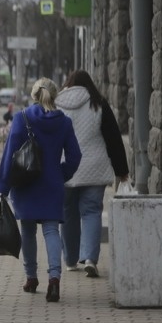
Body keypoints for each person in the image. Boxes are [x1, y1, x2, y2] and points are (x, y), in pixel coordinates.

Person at [0, 78, 82, 303]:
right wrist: (61, 174)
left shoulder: (21, 118)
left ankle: (31, 277)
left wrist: (3, 186)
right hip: (52, 184)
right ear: (54, 96)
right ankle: (54, 280)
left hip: (25, 183)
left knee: (27, 231)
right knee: (51, 231)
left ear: (34, 95)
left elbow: (9, 155)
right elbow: (75, 156)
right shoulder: (64, 122)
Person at [55, 70, 130, 278]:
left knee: (67, 214)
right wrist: (122, 171)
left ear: (68, 83)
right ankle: (89, 258)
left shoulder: (57, 103)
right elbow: (113, 139)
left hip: (65, 168)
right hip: (94, 168)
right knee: (91, 212)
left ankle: (70, 260)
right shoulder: (99, 103)